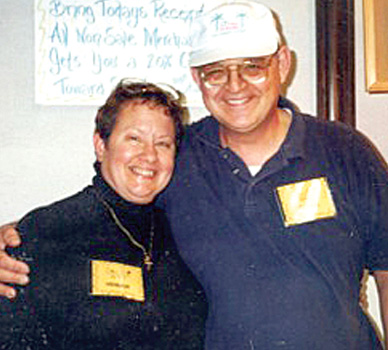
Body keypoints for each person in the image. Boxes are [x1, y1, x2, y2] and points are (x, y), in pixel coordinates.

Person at [0, 1, 388, 349]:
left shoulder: (347, 151)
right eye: (216, 72)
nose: (235, 86)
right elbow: (113, 204)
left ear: (282, 64)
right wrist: (23, 238)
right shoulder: (180, 156)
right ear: (198, 78)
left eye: (252, 67)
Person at [0, 80, 207, 349]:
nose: (149, 155)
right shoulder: (44, 232)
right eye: (134, 138)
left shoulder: (182, 229)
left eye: (163, 144)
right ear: (101, 144)